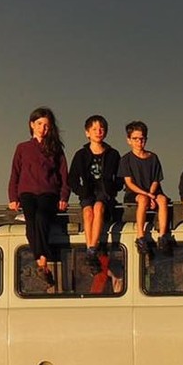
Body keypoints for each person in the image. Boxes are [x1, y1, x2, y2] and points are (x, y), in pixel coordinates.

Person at [8, 107, 69, 283]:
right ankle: (42, 261)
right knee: (31, 221)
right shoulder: (22, 148)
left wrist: (63, 197)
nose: (43, 128)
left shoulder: (55, 149)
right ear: (32, 125)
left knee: (42, 217)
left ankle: (41, 261)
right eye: (40, 124)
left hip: (49, 192)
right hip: (26, 192)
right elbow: (15, 173)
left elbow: (64, 175)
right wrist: (13, 198)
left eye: (47, 125)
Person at [67, 114, 120, 268]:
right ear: (87, 132)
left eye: (101, 129)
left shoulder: (113, 154)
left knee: (98, 208)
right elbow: (72, 179)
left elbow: (120, 177)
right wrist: (81, 191)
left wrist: (112, 189)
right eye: (94, 129)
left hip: (104, 192)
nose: (98, 132)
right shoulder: (81, 155)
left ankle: (92, 248)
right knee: (88, 212)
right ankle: (90, 247)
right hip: (87, 192)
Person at [118, 120, 172, 254]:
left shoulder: (153, 157)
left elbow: (156, 180)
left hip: (153, 191)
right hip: (134, 193)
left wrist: (151, 194)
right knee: (142, 200)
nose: (139, 142)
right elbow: (129, 183)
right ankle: (140, 236)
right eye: (135, 139)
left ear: (146, 139)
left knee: (163, 200)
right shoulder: (126, 159)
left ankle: (163, 236)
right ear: (129, 140)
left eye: (141, 139)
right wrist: (148, 196)